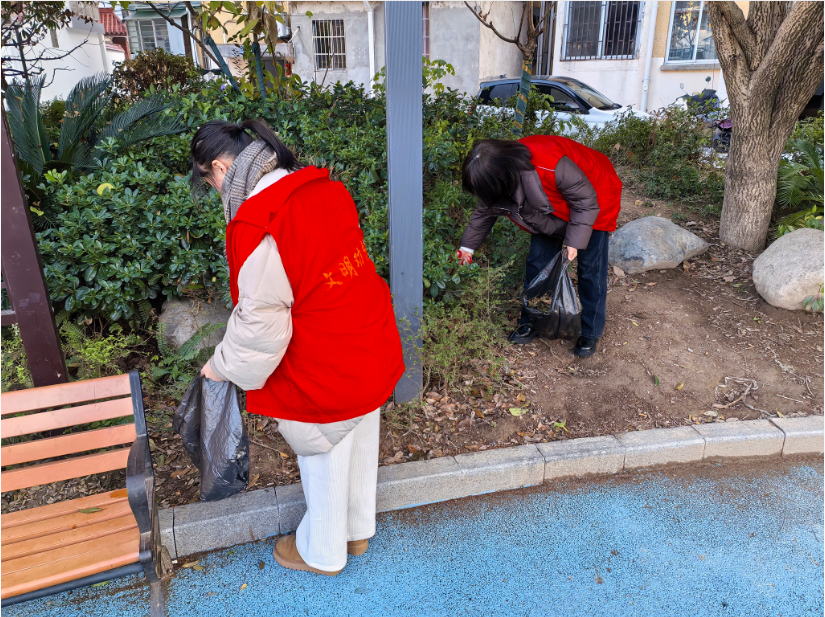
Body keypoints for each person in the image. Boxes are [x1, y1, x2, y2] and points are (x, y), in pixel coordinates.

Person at [191, 119, 404, 575]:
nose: (216, 193)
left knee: (324, 453)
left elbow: (259, 326)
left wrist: (219, 367)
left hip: (322, 359)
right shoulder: (323, 188)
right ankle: (356, 531)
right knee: (360, 433)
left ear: (220, 168)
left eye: (209, 183)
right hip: (368, 335)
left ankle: (322, 552)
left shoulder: (260, 219)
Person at [456, 135, 622, 357]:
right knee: (538, 262)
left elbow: (585, 202)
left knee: (591, 268)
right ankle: (534, 321)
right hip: (550, 205)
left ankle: (591, 330)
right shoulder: (498, 173)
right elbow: (486, 210)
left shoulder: (550, 165)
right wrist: (467, 248)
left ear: (503, 175)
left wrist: (573, 242)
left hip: (596, 194)